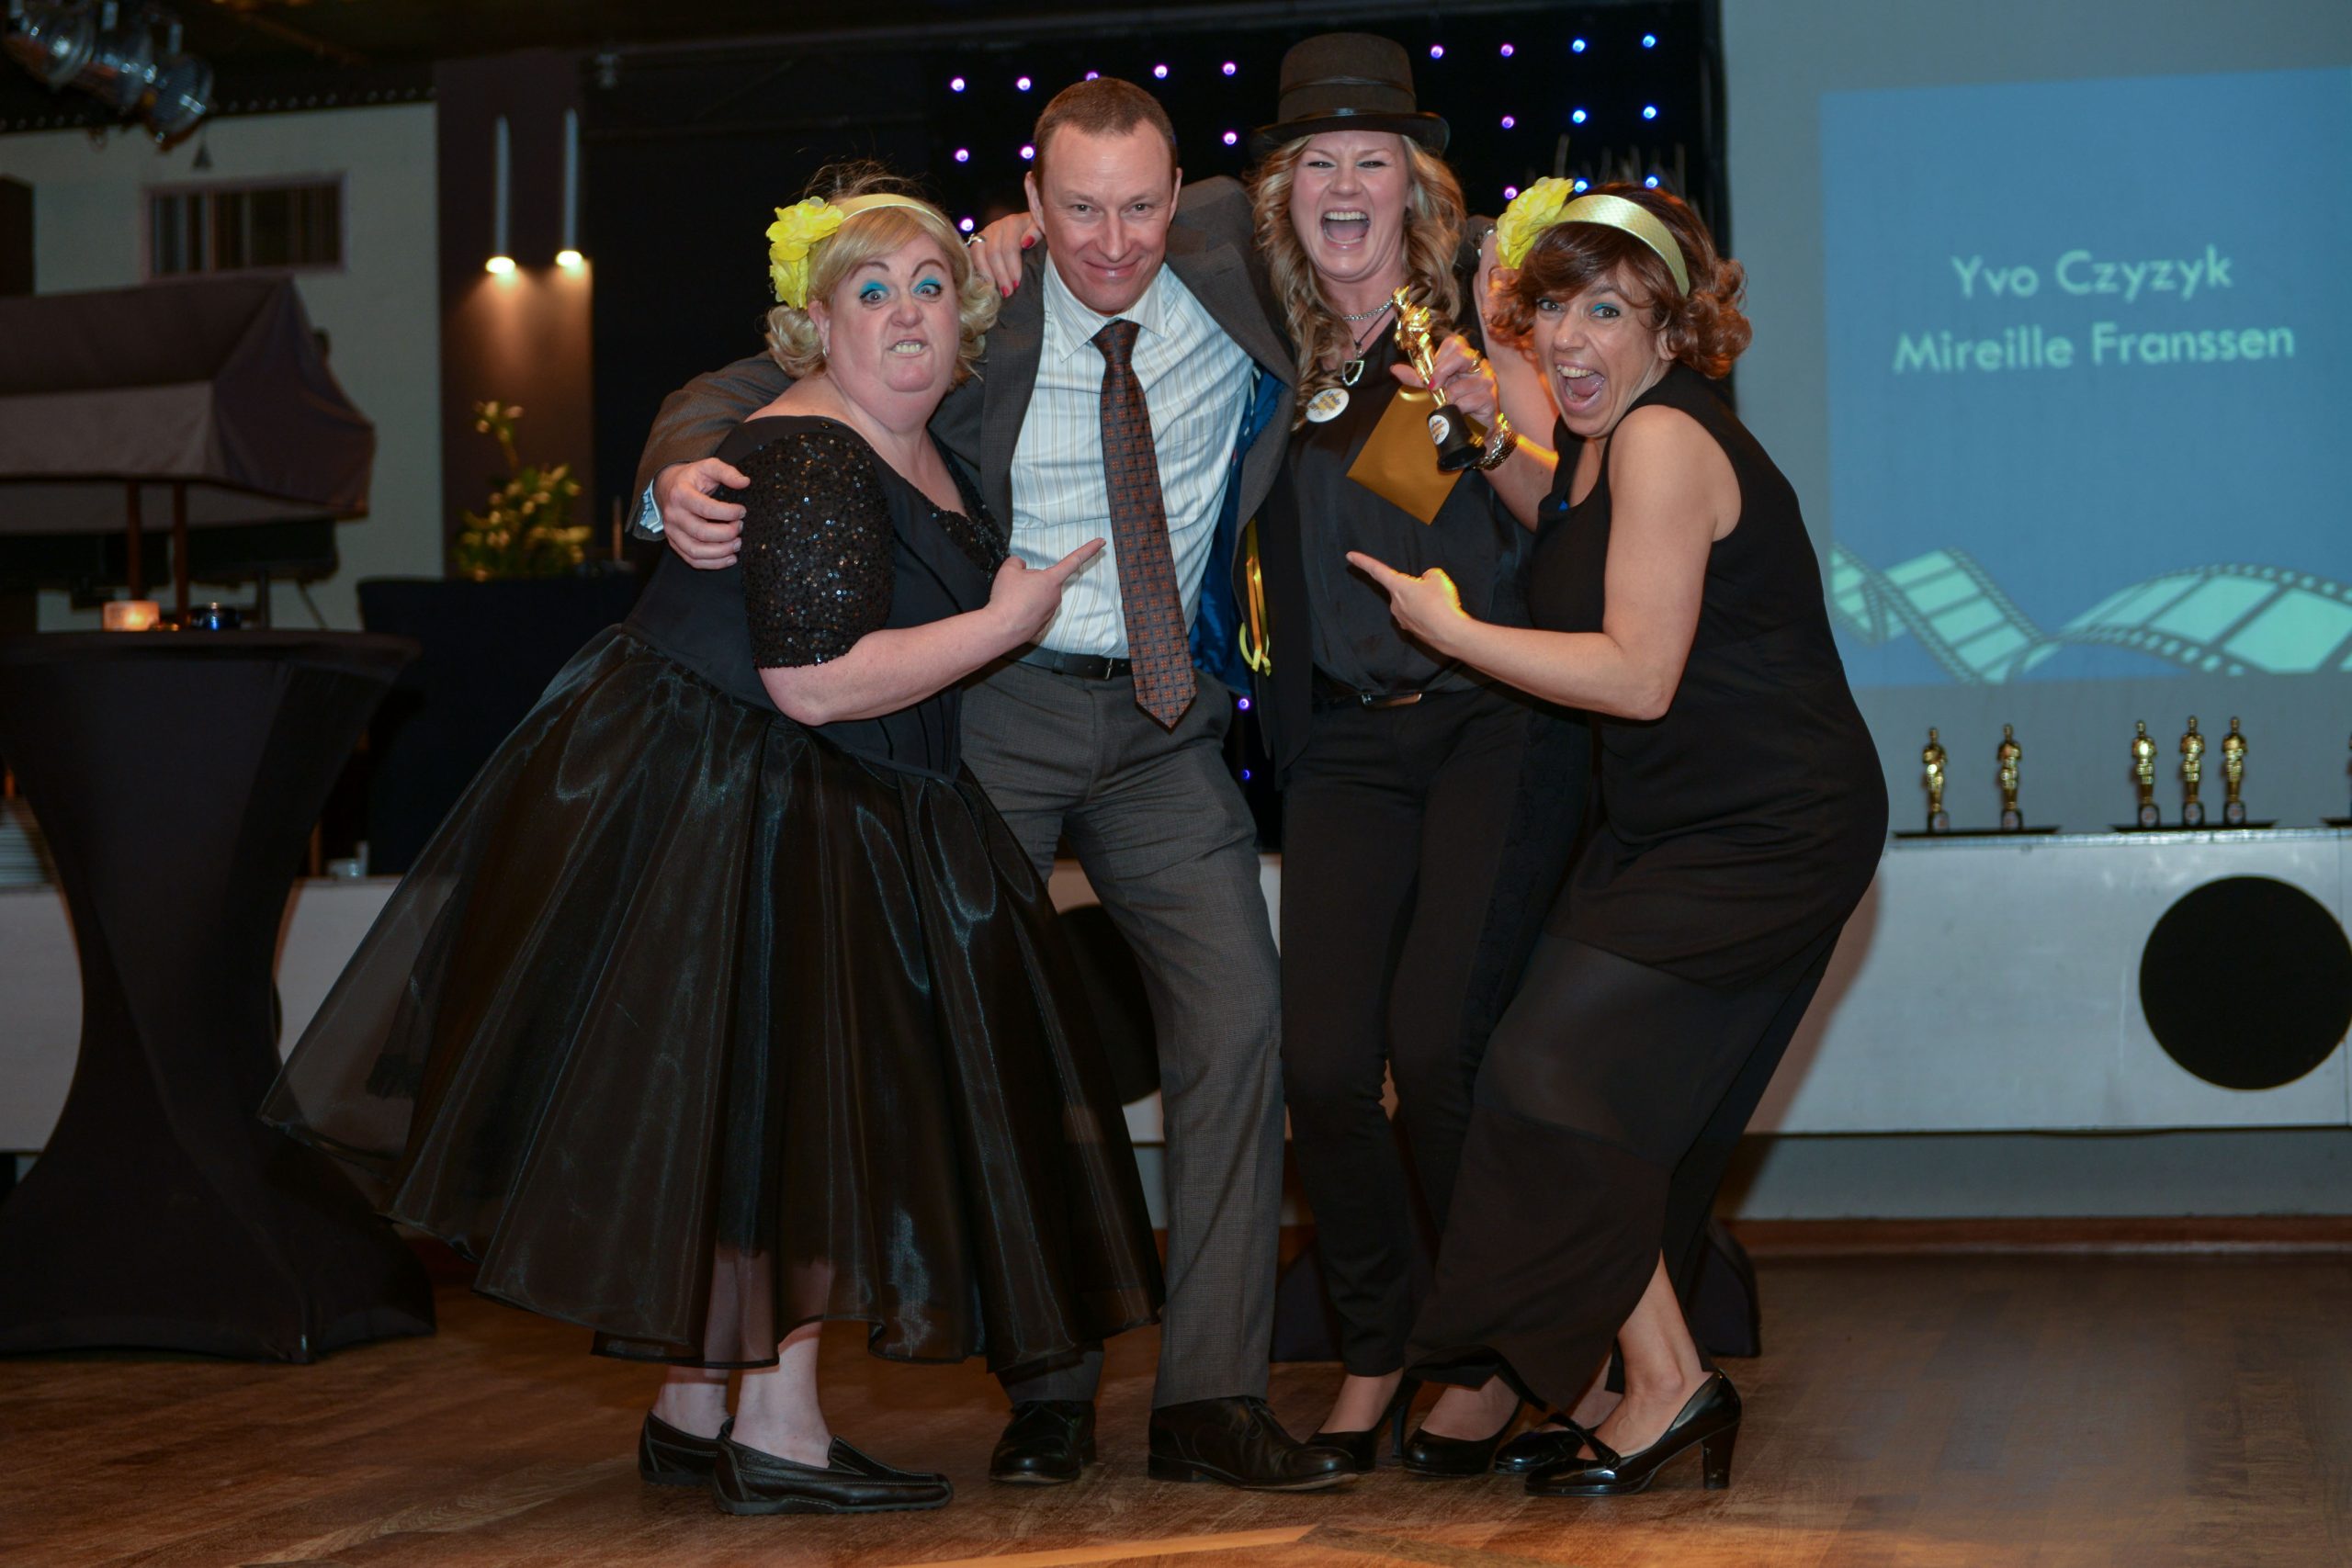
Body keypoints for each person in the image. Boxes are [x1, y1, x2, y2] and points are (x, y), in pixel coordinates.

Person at [260, 175, 1166, 1516]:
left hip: (814, 793)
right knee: (791, 1116)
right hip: (771, 797)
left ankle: (695, 1408)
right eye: (872, 291)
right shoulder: (812, 448)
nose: (907, 315)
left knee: (753, 1111)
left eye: (929, 288)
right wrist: (1004, 621)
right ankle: (780, 1431)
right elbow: (813, 682)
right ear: (816, 325)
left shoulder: (913, 437)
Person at [632, 79, 1353, 1493]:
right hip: (994, 711)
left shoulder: (1234, 248)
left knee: (1239, 1020)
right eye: (1078, 209)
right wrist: (672, 475)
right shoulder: (973, 306)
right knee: (982, 1042)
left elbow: (1391, 252)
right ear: (1031, 201)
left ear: (1183, 197)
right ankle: (1049, 1388)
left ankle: (1211, 1397)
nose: (1112, 241)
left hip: (1166, 728)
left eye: (1138, 207)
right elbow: (760, 376)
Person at [1351, 181, 1888, 1495]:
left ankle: (1664, 1383)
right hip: (1678, 820)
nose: (1570, 339)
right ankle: (1642, 1377)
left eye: (1607, 310)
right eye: (1554, 309)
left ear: (1670, 325)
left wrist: (1456, 633)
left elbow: (1640, 677)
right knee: (1551, 1079)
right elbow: (1572, 522)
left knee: (1546, 1070)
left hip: (1771, 822)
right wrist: (1491, 439)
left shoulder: (1663, 438)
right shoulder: (1601, 440)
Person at [1234, 34, 1587, 1472]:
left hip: (1488, 726)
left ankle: (1495, 1354)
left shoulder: (1484, 324)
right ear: (1284, 193)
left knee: (1438, 1049)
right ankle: (1375, 1346)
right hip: (1342, 748)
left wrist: (1490, 424)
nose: (1343, 184)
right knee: (1323, 1070)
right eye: (1316, 160)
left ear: (1414, 187)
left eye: (1369, 160)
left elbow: (1563, 508)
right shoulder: (1273, 349)